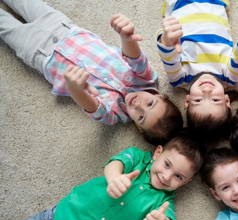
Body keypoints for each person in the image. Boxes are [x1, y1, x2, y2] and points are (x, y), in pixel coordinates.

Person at [0, 132, 203, 220]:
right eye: (167, 164)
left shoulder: (163, 202)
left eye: (178, 176)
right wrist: (115, 177)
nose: (167, 176)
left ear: (187, 182)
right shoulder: (138, 158)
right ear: (158, 152)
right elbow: (115, 163)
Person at [0, 0, 183, 145]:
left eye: (141, 116)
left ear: (138, 128)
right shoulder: (147, 79)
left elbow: (93, 107)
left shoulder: (114, 114)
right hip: (66, 31)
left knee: (5, 26)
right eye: (150, 103)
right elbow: (135, 59)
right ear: (161, 96)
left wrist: (75, 88)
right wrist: (126, 37)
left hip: (41, 54)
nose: (138, 105)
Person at [157, 0, 238, 138]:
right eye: (215, 100)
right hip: (216, 4)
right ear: (227, 100)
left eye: (198, 100)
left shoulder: (180, 79)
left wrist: (167, 41)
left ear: (187, 100)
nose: (206, 91)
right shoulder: (229, 77)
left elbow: (168, 58)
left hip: (182, 4)